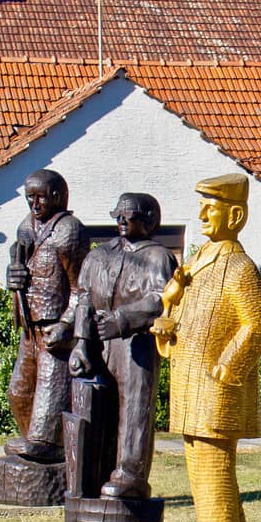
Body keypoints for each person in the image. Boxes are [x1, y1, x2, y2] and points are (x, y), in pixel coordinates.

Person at [152, 174, 261, 522]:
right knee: (205, 466)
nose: (203, 215)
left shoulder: (238, 267)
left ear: (236, 215)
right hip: (192, 383)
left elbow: (259, 323)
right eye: (201, 207)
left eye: (213, 208)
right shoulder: (201, 259)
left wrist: (228, 367)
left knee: (212, 466)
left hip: (216, 387)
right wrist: (169, 322)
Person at [63, 192, 177, 499]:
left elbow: (161, 300)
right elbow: (84, 296)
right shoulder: (100, 255)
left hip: (135, 344)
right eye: (119, 215)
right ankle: (91, 470)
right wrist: (82, 342)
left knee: (135, 407)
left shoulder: (158, 257)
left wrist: (123, 319)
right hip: (99, 341)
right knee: (95, 406)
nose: (122, 221)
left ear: (150, 220)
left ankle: (131, 474)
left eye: (130, 215)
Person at [5, 169, 87, 462]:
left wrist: (67, 323)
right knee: (19, 391)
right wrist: (12, 276)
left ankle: (48, 445)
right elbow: (20, 267)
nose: (35, 205)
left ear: (57, 197)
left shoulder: (70, 230)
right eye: (30, 198)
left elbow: (82, 287)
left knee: (50, 395)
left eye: (41, 198)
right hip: (30, 327)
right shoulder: (26, 227)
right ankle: (34, 442)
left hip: (54, 328)